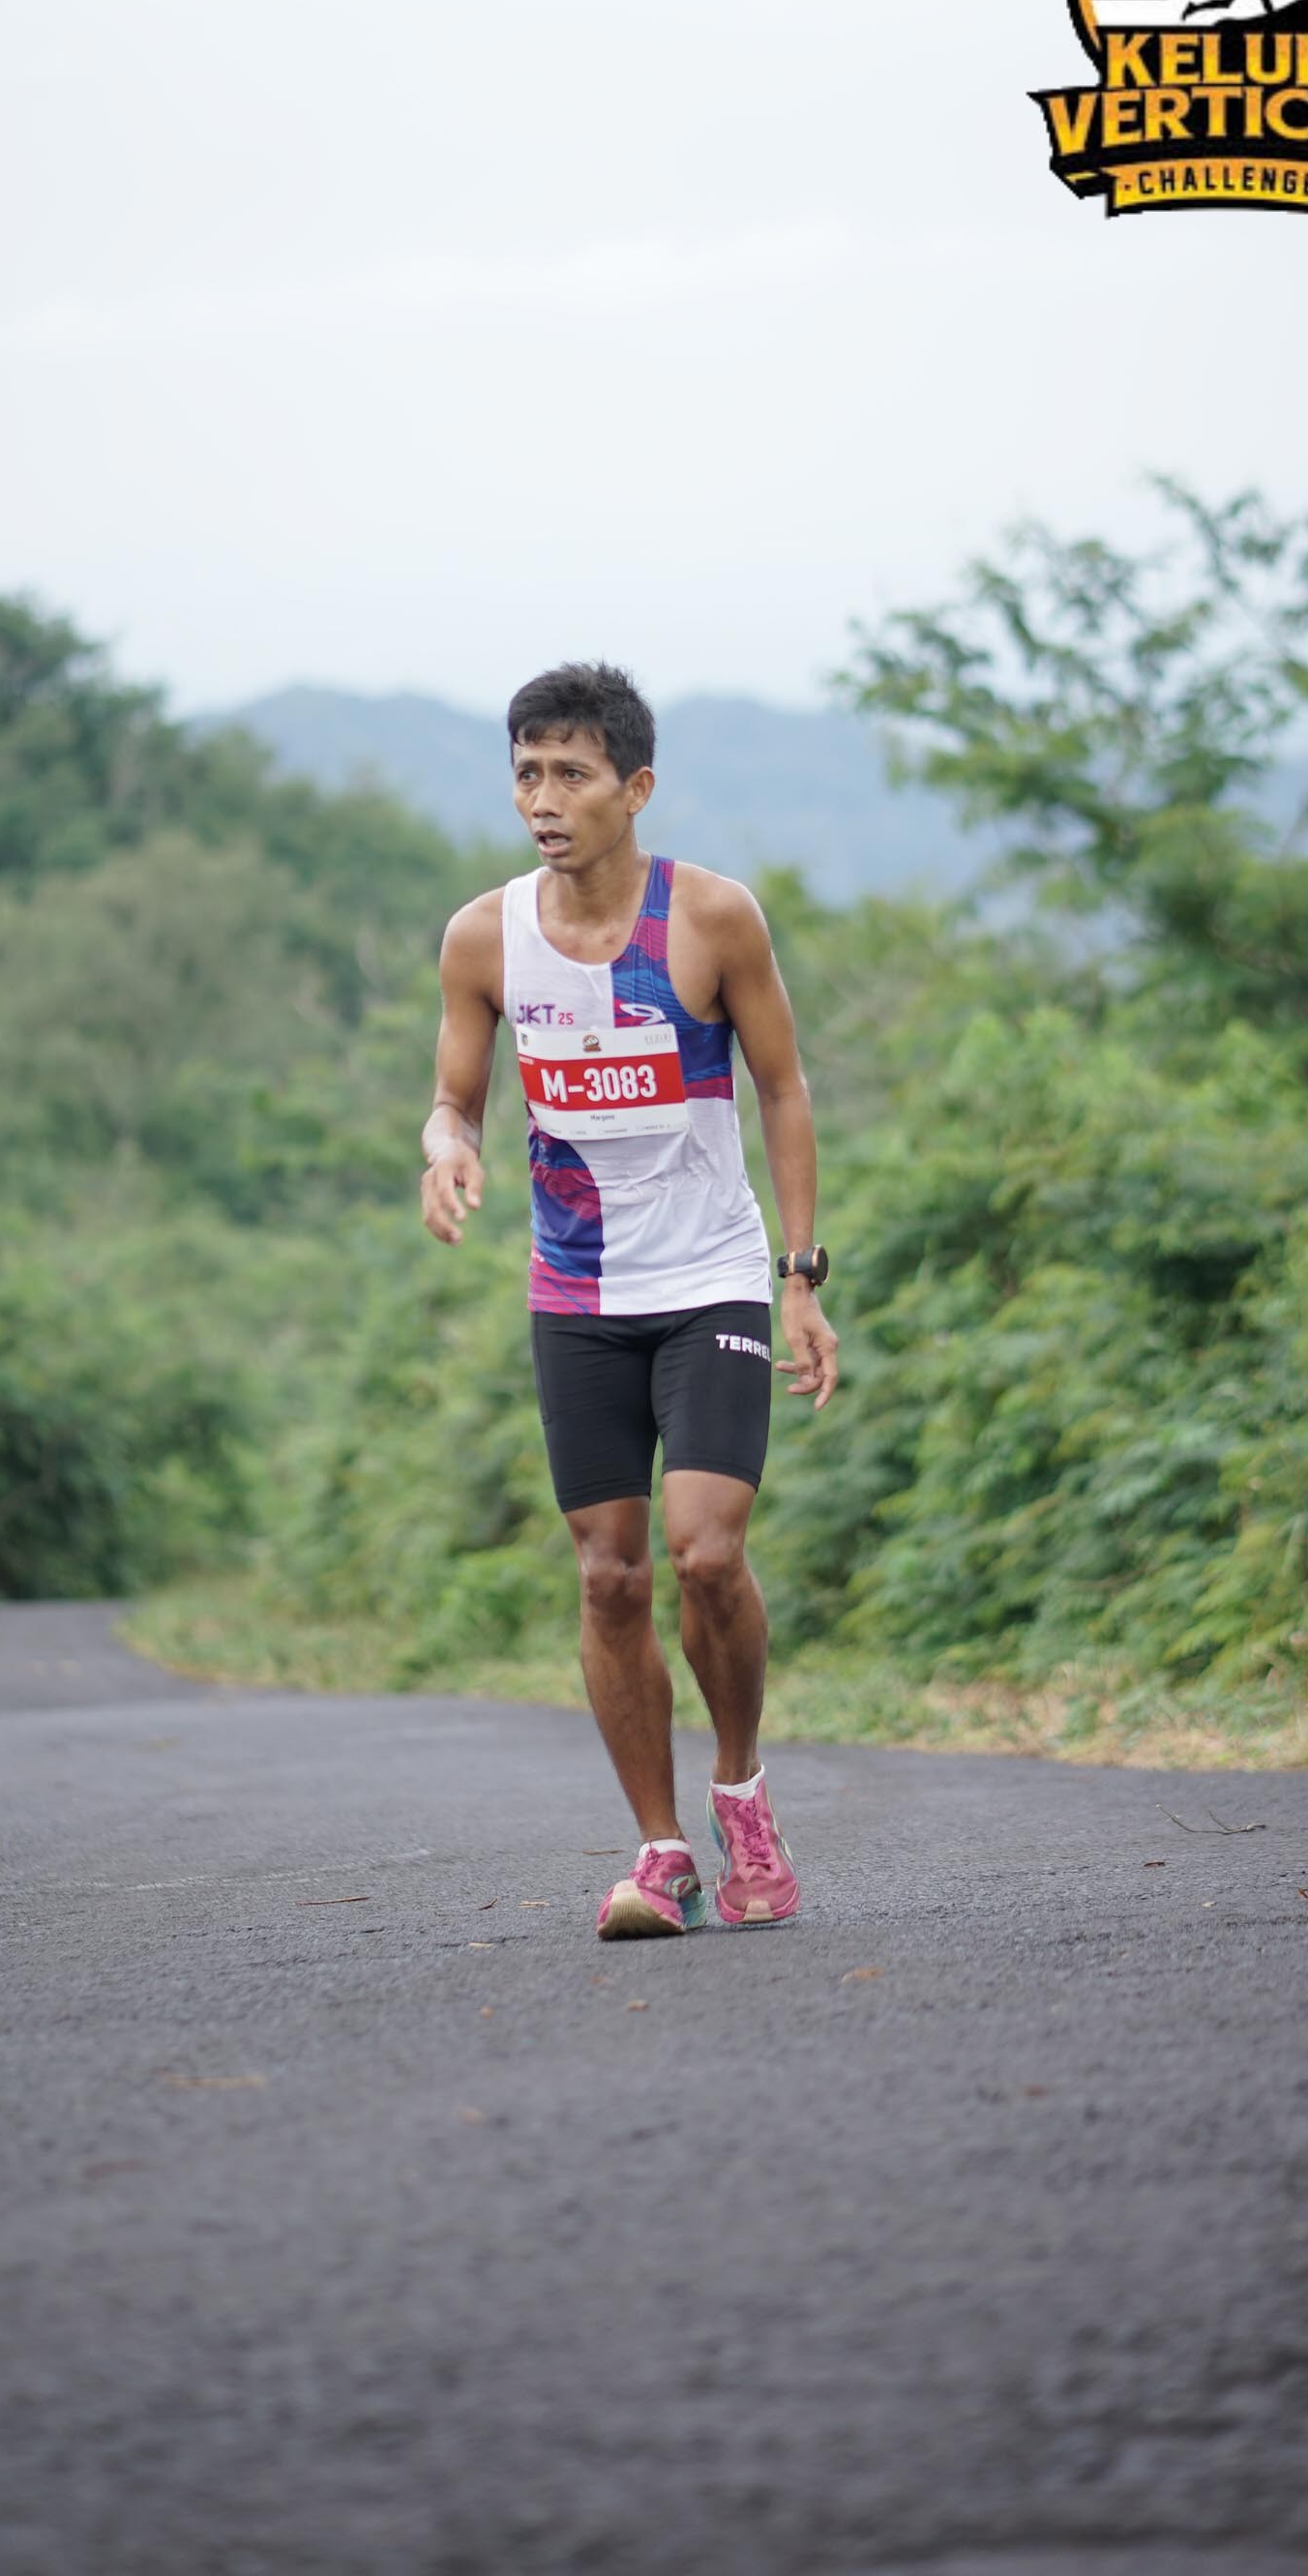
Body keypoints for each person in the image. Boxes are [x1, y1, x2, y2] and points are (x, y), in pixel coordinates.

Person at [419, 661, 838, 1939]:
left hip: (711, 1277)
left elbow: (782, 1089)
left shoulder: (711, 919)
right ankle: (663, 1853)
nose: (543, 800)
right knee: (609, 1577)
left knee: (707, 1553)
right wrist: (445, 1147)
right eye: (526, 775)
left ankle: (741, 1791)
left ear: (635, 787)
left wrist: (802, 1278)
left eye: (572, 775)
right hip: (577, 1291)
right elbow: (454, 1098)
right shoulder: (484, 937)